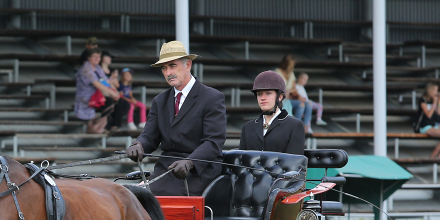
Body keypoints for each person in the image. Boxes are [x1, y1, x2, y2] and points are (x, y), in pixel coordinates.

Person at [125, 41, 227, 196]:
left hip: (199, 171)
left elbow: (213, 142)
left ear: (188, 65)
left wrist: (190, 162)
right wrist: (139, 145)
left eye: (172, 66)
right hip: (166, 169)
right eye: (164, 68)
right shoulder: (159, 101)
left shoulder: (212, 97)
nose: (168, 73)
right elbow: (149, 136)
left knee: (159, 198)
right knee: (132, 196)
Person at [239, 71, 305, 155]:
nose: (262, 98)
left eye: (268, 93)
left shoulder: (295, 125)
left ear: (280, 97)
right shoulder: (247, 127)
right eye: (259, 94)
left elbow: (294, 163)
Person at [75, 48, 120, 134]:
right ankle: (96, 128)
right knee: (109, 102)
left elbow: (104, 81)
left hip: (96, 95)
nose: (97, 59)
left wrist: (115, 92)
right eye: (94, 56)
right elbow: (97, 84)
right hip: (86, 97)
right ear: (89, 58)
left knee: (119, 102)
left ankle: (107, 126)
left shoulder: (98, 68)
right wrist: (112, 93)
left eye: (98, 57)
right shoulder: (86, 69)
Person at [414, 82, 440, 159]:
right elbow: (429, 115)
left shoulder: (432, 100)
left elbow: (439, 112)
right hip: (424, 126)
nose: (436, 93)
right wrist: (434, 103)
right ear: (429, 90)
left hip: (432, 125)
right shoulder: (423, 100)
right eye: (434, 91)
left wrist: (439, 100)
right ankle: (433, 155)